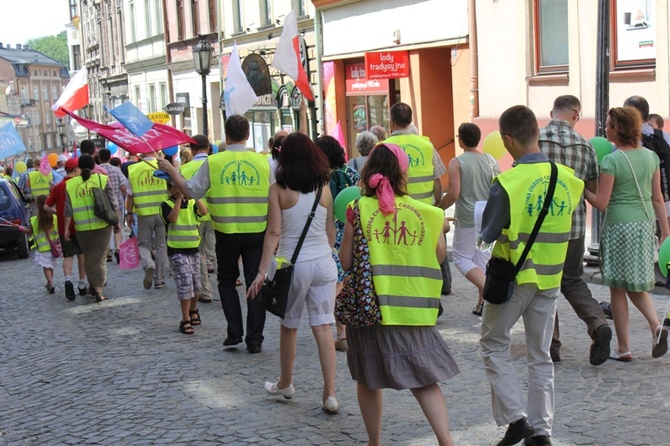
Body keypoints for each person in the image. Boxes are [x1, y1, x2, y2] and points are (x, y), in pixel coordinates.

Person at [339, 143, 459, 446]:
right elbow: (440, 258)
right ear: (403, 173)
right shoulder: (429, 214)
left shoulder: (358, 209)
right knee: (424, 380)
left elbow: (346, 262)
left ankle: (374, 442)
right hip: (415, 308)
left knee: (368, 378)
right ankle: (446, 440)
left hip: (371, 308)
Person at [479, 105, 584, 446]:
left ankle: (516, 419)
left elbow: (489, 232)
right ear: (536, 134)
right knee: (541, 355)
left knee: (494, 342)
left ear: (507, 140)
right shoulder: (568, 179)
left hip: (515, 277)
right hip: (551, 278)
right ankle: (541, 431)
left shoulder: (508, 182)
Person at [157, 114, 273, 354]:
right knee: (256, 283)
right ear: (248, 135)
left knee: (227, 282)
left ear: (226, 135)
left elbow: (189, 191)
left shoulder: (215, 162)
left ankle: (234, 332)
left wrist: (171, 171)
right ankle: (255, 338)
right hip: (257, 231)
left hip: (227, 231)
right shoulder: (264, 162)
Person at [247, 132, 339, 412]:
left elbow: (274, 233)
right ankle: (330, 394)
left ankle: (286, 382)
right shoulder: (324, 187)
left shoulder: (278, 189)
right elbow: (330, 232)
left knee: (289, 326)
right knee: (323, 327)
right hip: (324, 263)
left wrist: (262, 271)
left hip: (292, 266)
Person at [584, 107, 669, 361]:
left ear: (618, 129)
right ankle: (655, 326)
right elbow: (657, 198)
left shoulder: (612, 160)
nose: (605, 129)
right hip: (643, 226)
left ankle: (624, 348)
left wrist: (581, 188)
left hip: (619, 228)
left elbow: (601, 202)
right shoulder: (651, 157)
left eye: (609, 125)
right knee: (635, 284)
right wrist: (665, 232)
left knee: (617, 288)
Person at [537, 95, 612, 365]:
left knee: (544, 285)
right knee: (572, 281)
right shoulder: (586, 146)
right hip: (574, 226)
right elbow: (591, 189)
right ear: (576, 116)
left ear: (552, 112)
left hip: (540, 227)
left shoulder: (535, 139)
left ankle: (552, 346)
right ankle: (598, 324)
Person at [384, 102, 452, 296]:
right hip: (425, 210)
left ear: (392, 121)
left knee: (406, 257)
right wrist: (437, 206)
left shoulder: (385, 147)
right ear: (411, 120)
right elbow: (438, 181)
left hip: (397, 212)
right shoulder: (426, 145)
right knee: (429, 255)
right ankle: (433, 295)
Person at [439, 123, 499, 316]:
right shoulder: (491, 160)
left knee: (460, 257)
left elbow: (454, 193)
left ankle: (490, 293)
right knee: (483, 259)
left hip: (468, 213)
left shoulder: (457, 162)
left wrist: (439, 207)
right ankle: (482, 304)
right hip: (489, 212)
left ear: (461, 139)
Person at [315, 135, 361, 351]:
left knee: (336, 282)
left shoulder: (320, 179)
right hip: (352, 232)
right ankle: (347, 332)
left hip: (329, 234)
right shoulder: (351, 173)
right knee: (347, 280)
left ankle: (341, 331)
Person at [64, 155, 119, 302]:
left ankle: (94, 286)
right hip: (101, 225)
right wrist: (117, 221)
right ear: (94, 165)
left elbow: (68, 210)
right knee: (100, 258)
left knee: (88, 258)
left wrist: (66, 229)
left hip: (82, 227)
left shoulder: (70, 184)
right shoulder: (101, 179)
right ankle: (99, 289)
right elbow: (113, 202)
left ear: (78, 168)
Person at [161, 179, 208, 334]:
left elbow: (204, 212)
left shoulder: (192, 203)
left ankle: (194, 310)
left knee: (196, 284)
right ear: (170, 190)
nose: (180, 189)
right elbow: (172, 219)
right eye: (176, 187)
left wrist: (194, 196)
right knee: (185, 283)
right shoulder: (166, 204)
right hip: (177, 250)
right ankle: (185, 318)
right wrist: (179, 199)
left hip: (193, 248)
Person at [45, 158, 89, 300]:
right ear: (76, 170)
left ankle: (68, 279)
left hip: (64, 227)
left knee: (68, 256)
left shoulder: (58, 187)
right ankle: (82, 284)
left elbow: (46, 206)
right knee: (81, 255)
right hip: (80, 224)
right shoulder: (79, 183)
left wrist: (57, 212)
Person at [179, 135, 216, 303]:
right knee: (216, 253)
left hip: (195, 216)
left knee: (199, 255)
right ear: (208, 148)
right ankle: (226, 286)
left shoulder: (185, 169)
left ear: (192, 150)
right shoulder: (216, 163)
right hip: (216, 213)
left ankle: (206, 292)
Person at [127, 152, 169, 289]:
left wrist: (129, 213)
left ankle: (148, 263)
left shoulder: (134, 170)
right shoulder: (164, 166)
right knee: (161, 245)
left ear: (142, 153)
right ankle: (160, 279)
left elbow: (130, 196)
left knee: (143, 244)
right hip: (162, 212)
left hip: (144, 213)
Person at [16, 195, 59, 294]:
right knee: (50, 266)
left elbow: (28, 231)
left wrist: (19, 227)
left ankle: (50, 282)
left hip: (42, 248)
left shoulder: (34, 220)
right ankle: (50, 282)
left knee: (46, 267)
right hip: (53, 248)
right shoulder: (54, 217)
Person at [99, 148, 127, 263]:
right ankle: (118, 248)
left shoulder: (97, 171)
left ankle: (107, 253)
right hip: (117, 204)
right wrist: (124, 198)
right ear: (110, 157)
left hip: (103, 205)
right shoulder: (116, 170)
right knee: (118, 227)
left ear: (99, 158)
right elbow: (123, 187)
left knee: (105, 229)